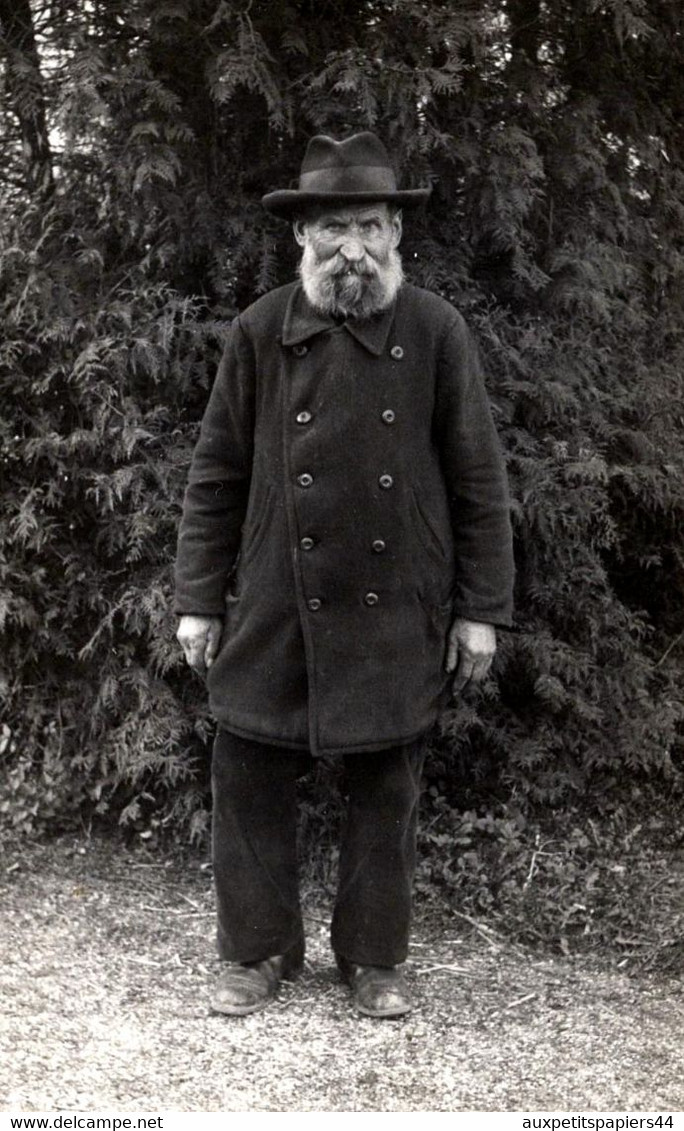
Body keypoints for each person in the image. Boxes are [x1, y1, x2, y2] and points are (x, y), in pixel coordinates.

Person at [174, 131, 514, 1019]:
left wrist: (481, 608)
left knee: (386, 782)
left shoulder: (437, 331)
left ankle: (374, 958)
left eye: (369, 224)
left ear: (397, 232)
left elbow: (479, 477)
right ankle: (256, 950)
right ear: (302, 239)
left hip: (398, 596)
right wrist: (196, 598)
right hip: (275, 595)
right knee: (245, 765)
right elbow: (216, 473)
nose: (351, 248)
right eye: (332, 229)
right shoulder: (258, 331)